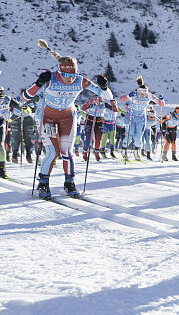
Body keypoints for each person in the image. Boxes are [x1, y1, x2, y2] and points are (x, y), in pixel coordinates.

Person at [21, 40, 113, 198]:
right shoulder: (50, 79)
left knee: (67, 151)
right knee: (52, 151)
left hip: (67, 116)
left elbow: (107, 98)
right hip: (46, 116)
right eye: (65, 75)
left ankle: (69, 182)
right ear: (58, 71)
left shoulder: (80, 81)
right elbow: (24, 98)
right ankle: (43, 183)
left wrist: (104, 87)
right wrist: (39, 83)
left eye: (73, 75)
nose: (70, 78)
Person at [117, 77, 162, 160]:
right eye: (141, 94)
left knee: (138, 138)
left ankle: (136, 152)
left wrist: (161, 101)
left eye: (144, 94)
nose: (142, 96)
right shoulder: (134, 94)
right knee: (129, 136)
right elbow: (121, 99)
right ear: (138, 91)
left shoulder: (149, 96)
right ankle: (124, 151)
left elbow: (161, 103)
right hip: (131, 117)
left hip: (141, 118)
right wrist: (128, 96)